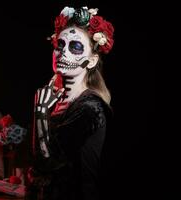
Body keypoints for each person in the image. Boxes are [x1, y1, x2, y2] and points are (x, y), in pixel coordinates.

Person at [25, 6, 114, 200]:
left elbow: (46, 164)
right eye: (60, 45)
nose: (62, 52)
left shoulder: (91, 108)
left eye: (75, 46)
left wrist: (40, 112)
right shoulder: (55, 100)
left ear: (91, 61)